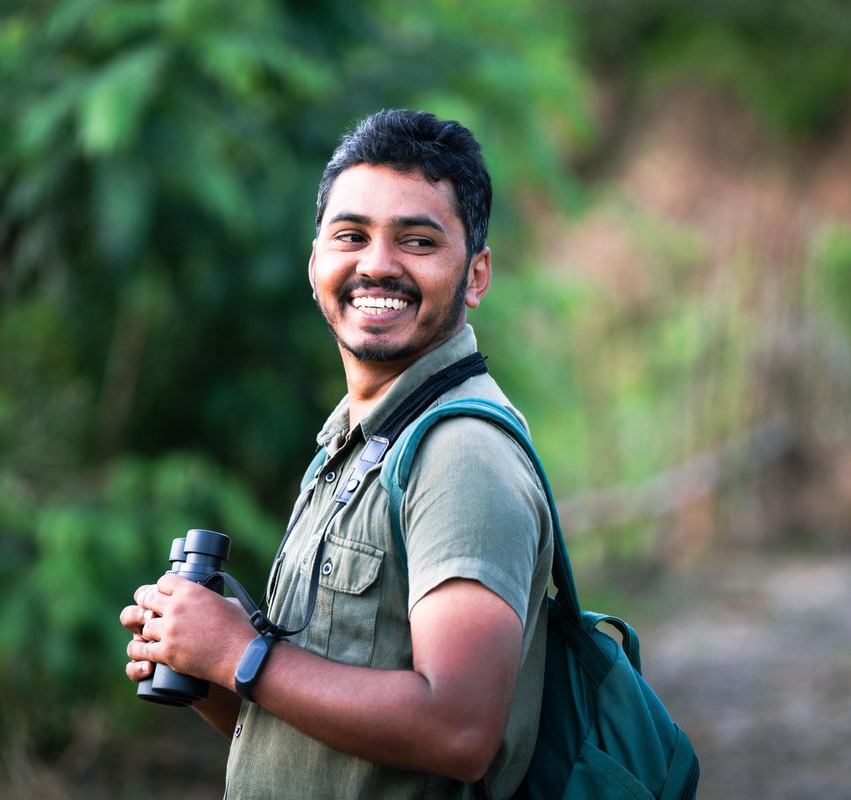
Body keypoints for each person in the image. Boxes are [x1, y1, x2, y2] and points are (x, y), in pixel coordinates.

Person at [121, 109, 553, 799]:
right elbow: (316, 732)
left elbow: (461, 732)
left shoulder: (461, 453)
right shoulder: (354, 443)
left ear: (475, 276)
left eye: (417, 241)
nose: (377, 265)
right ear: (316, 261)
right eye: (351, 235)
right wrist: (204, 665)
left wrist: (242, 651)